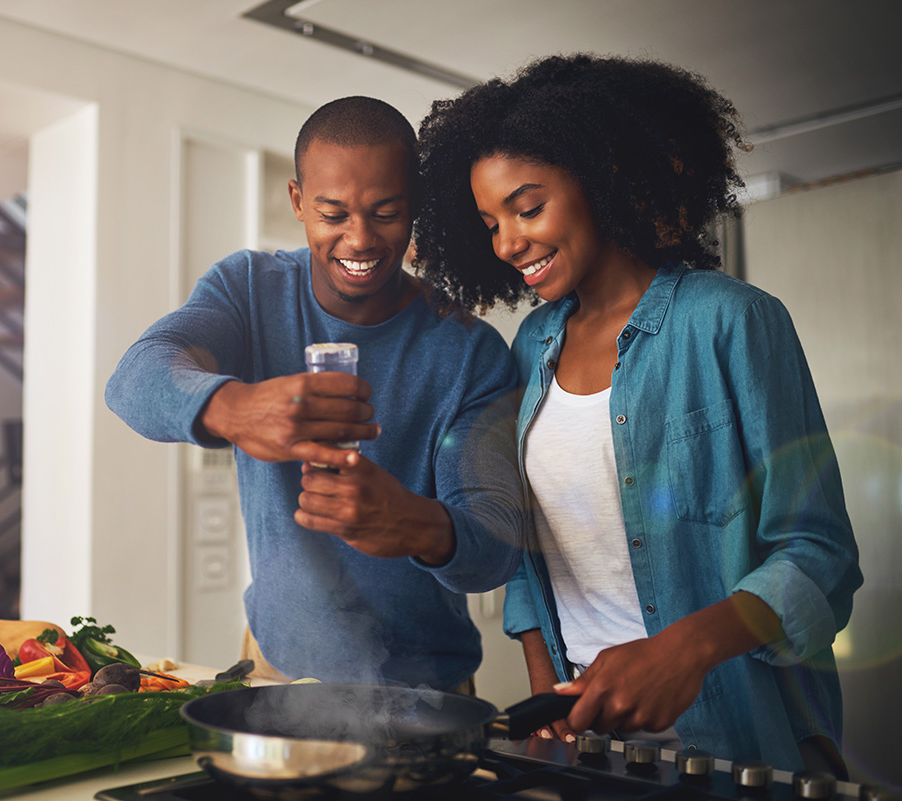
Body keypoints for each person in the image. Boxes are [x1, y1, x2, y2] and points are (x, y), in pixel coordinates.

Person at [412, 54, 861, 772]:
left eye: (528, 208)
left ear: (602, 177)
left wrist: (682, 650)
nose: (507, 242)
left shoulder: (732, 322)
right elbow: (531, 547)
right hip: (591, 744)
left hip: (742, 743)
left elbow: (820, 554)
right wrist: (544, 691)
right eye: (491, 222)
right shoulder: (531, 344)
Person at [105, 96, 526, 692]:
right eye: (332, 213)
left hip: (427, 692)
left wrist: (413, 524)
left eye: (386, 213)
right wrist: (237, 409)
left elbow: (494, 546)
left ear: (416, 209)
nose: (359, 240)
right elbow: (134, 378)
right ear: (298, 201)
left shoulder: (469, 352)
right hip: (276, 669)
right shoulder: (248, 290)